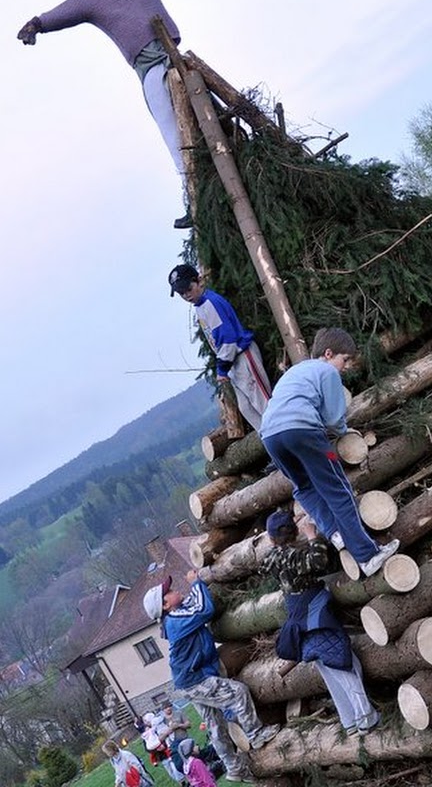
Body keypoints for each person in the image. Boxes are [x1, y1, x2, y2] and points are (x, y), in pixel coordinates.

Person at [16, 0, 198, 228]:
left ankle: (195, 197)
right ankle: (199, 191)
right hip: (178, 60)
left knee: (173, 135)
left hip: (156, 70)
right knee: (191, 119)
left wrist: (36, 23)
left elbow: (59, 12)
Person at [259, 327, 399, 578]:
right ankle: (368, 556)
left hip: (270, 437)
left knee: (303, 487)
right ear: (328, 353)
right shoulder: (327, 371)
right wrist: (346, 431)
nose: (345, 367)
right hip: (302, 430)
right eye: (344, 360)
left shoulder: (294, 372)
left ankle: (334, 532)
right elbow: (334, 420)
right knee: (338, 490)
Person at [143, 570, 281, 782]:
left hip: (189, 679)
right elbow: (204, 610)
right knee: (238, 692)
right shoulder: (174, 621)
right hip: (194, 679)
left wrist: (199, 585)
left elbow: (193, 604)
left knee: (215, 724)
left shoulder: (177, 614)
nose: (173, 589)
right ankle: (256, 734)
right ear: (164, 606)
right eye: (168, 592)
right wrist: (196, 582)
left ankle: (234, 768)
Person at [260, 509, 380, 735]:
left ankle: (350, 721)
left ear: (271, 538)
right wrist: (311, 534)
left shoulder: (271, 559)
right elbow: (319, 561)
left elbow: (275, 552)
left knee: (332, 669)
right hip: (315, 617)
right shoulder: (292, 556)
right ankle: (366, 717)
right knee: (343, 665)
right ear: (294, 533)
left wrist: (290, 530)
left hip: (299, 617)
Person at [169, 264, 272, 432]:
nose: (186, 295)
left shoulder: (210, 303)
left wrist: (222, 369)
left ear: (199, 280)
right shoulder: (200, 307)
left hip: (242, 357)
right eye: (181, 293)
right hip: (233, 364)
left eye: (188, 288)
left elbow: (227, 340)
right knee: (247, 409)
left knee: (264, 406)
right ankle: (273, 446)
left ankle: (291, 442)